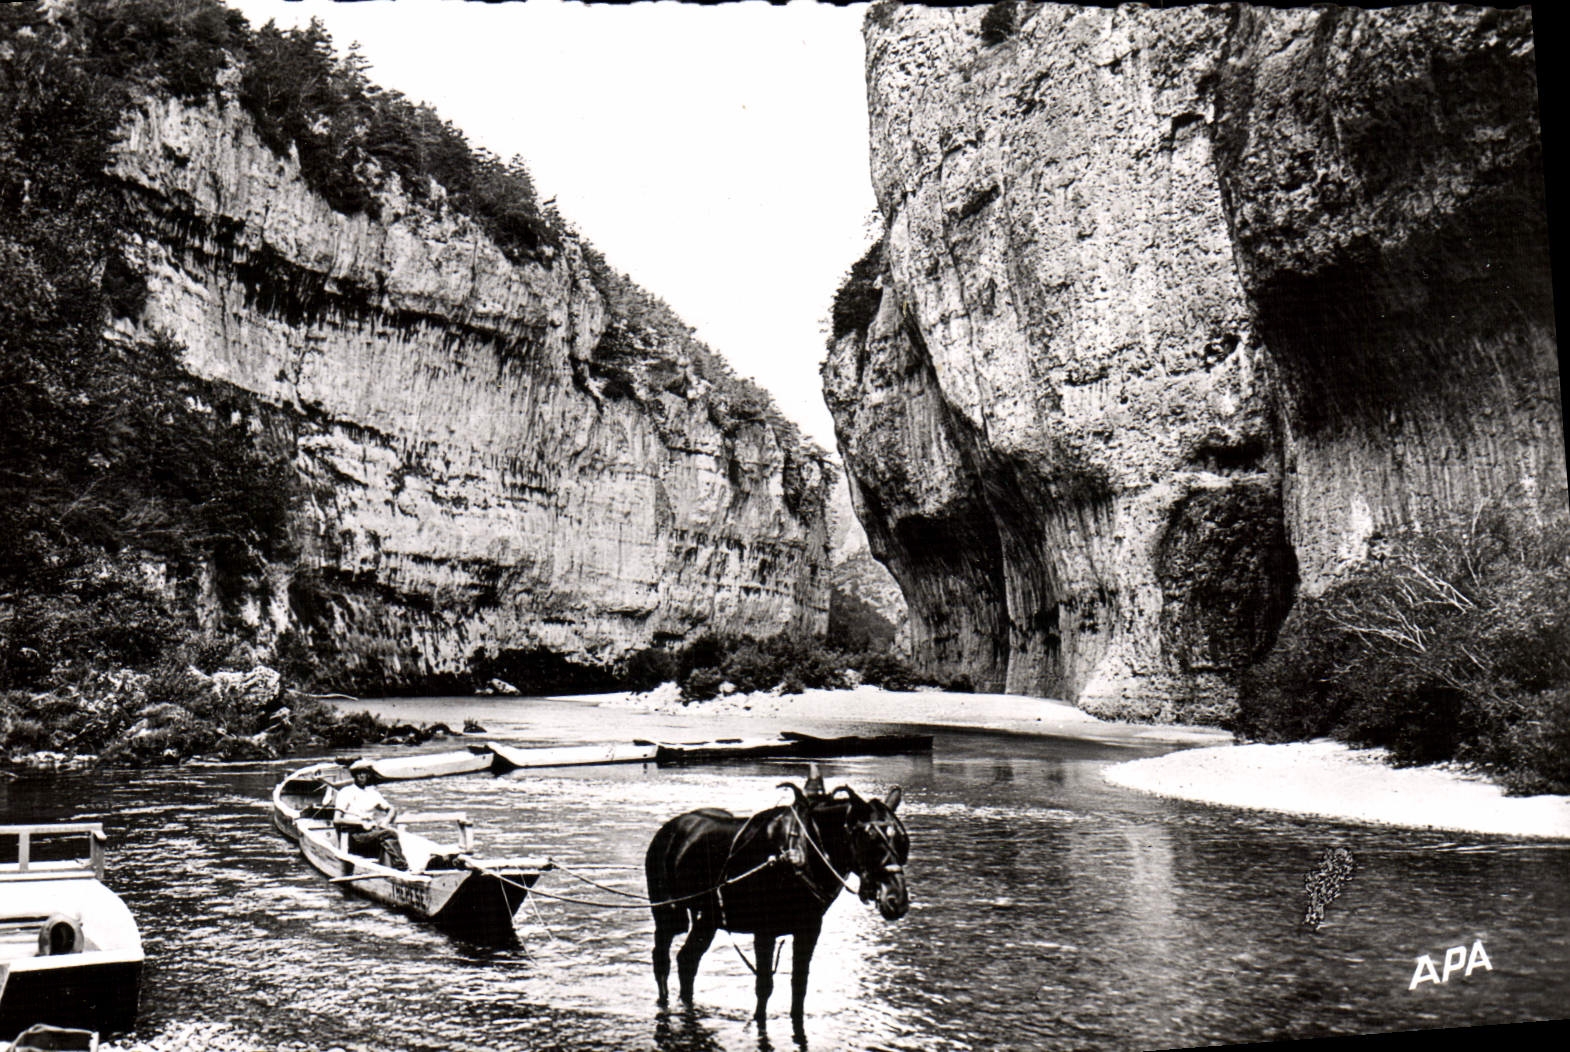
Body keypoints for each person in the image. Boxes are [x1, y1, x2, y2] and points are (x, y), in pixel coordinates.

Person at [331, 762, 409, 870]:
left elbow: (391, 809)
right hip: (354, 836)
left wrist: (386, 821)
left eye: (364, 773)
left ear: (368, 775)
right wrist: (360, 823)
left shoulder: (372, 793)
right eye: (359, 773)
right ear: (354, 775)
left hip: (370, 834)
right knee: (389, 834)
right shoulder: (346, 792)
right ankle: (402, 867)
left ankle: (395, 869)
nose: (362, 776)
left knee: (390, 835)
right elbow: (337, 820)